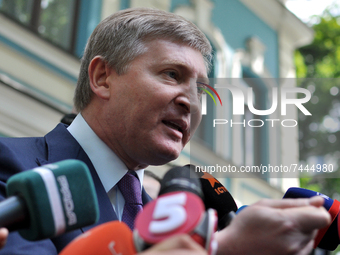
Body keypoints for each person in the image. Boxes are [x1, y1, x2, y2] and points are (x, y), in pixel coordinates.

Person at [0, 7, 330, 255]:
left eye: (201, 89)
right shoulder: (13, 167)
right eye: (172, 74)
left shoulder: (164, 214)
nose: (192, 103)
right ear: (102, 77)